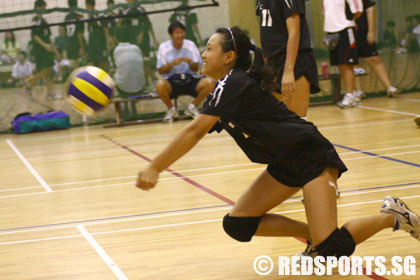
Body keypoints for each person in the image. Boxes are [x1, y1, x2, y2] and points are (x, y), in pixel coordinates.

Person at [136, 26, 420, 261]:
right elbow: (195, 131)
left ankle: (392, 215)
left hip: (311, 156)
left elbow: (194, 131)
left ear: (229, 57)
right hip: (284, 163)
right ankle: (315, 237)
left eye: (210, 48)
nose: (203, 53)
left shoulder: (233, 82)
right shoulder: (223, 88)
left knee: (332, 248)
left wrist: (155, 167)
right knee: (237, 224)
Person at [256, 0, 320, 118]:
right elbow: (267, 31)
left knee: (297, 121)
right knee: (279, 122)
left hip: (294, 60)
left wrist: (289, 70)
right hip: (273, 62)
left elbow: (294, 32)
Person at [156, 21, 214, 122]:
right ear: (171, 35)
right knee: (160, 85)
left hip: (190, 80)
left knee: (210, 83)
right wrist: (172, 64)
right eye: (177, 33)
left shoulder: (190, 45)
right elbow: (160, 71)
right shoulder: (163, 47)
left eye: (182, 32)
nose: (180, 35)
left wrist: (190, 62)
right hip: (172, 81)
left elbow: (195, 69)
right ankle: (171, 110)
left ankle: (192, 108)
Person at [354, 0, 398, 100]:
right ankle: (358, 91)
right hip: (349, 31)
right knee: (352, 62)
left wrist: (370, 31)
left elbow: (370, 10)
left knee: (374, 58)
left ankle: (389, 87)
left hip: (363, 31)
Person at [323, 0, 363, 108]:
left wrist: (346, 22)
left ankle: (350, 94)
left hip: (345, 30)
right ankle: (351, 93)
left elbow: (358, 10)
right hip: (331, 32)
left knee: (347, 64)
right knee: (340, 64)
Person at [119, 0, 159, 90]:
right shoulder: (124, 10)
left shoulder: (140, 9)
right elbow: (121, 25)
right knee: (136, 63)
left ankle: (151, 81)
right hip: (130, 40)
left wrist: (152, 37)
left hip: (143, 40)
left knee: (144, 61)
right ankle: (147, 82)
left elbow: (147, 24)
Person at [25, 0, 57, 99]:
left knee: (49, 71)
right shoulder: (35, 20)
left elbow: (48, 37)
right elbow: (35, 36)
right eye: (42, 7)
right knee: (44, 71)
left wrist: (53, 49)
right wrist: (45, 46)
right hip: (40, 50)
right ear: (37, 8)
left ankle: (50, 93)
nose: (43, 9)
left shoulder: (45, 22)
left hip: (47, 50)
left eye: (44, 7)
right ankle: (29, 85)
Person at [111, 27, 146, 118]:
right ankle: (132, 106)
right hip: (140, 87)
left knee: (117, 75)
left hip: (124, 88)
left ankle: (125, 106)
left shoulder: (115, 51)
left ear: (116, 37)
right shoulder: (137, 48)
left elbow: (115, 67)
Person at [85, 0, 110, 71]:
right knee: (90, 61)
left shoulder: (99, 15)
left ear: (92, 6)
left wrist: (108, 42)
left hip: (100, 43)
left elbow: (106, 29)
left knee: (102, 61)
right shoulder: (89, 17)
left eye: (88, 7)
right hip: (92, 43)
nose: (87, 9)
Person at [64, 0, 85, 69]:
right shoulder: (79, 16)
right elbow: (80, 33)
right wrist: (82, 46)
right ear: (76, 5)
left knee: (74, 65)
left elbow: (65, 33)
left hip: (70, 43)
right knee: (80, 65)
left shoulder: (66, 18)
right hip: (77, 43)